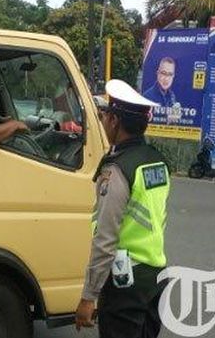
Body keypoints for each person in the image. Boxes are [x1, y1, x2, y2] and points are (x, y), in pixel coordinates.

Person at [75, 79, 171, 338]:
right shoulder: (156, 161)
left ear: (115, 121)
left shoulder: (118, 169)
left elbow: (105, 238)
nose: (104, 121)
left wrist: (88, 297)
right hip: (155, 275)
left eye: (105, 116)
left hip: (125, 282)